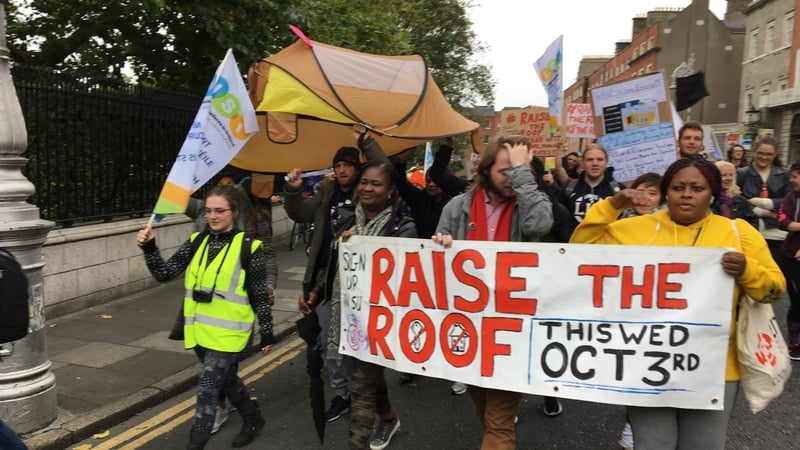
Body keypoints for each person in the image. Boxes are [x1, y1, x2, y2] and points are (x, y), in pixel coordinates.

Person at [571, 157, 785, 449]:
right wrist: (612, 206)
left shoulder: (737, 233)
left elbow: (774, 290)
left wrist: (748, 270)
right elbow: (577, 255)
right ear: (666, 192)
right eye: (677, 187)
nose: (686, 194)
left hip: (715, 369)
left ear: (711, 194)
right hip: (647, 365)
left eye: (697, 188)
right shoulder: (636, 229)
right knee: (652, 445)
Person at [433, 134, 553, 450]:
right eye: (507, 169)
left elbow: (539, 225)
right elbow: (435, 267)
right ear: (485, 169)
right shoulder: (456, 207)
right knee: (486, 412)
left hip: (510, 330)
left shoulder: (531, 202)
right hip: (469, 328)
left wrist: (522, 174)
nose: (514, 176)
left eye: (521, 169)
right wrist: (442, 246)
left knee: (499, 425)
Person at [136, 185, 274, 449]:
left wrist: (267, 331)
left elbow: (258, 294)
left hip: (230, 332)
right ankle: (253, 418)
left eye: (219, 211)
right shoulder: (197, 240)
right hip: (198, 329)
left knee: (208, 389)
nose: (212, 216)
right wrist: (150, 247)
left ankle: (195, 445)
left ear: (234, 212)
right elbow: (164, 273)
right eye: (209, 210)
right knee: (227, 380)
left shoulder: (249, 247)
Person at [287, 125, 389, 424]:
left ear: (358, 169)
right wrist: (292, 191)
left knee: (357, 342)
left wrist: (365, 142)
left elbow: (383, 169)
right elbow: (303, 214)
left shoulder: (366, 193)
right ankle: (344, 394)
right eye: (338, 165)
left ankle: (366, 392)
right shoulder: (328, 190)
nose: (342, 170)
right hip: (324, 276)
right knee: (327, 338)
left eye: (347, 164)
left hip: (359, 278)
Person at [335, 161, 417, 450]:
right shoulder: (347, 219)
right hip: (352, 315)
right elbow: (334, 264)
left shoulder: (404, 227)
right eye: (364, 182)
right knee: (369, 378)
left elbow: (404, 274)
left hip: (383, 319)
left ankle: (357, 443)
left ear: (391, 190)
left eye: (376, 184)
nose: (367, 188)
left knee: (361, 387)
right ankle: (388, 418)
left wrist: (365, 247)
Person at [736, 136, 792, 264]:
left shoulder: (785, 174)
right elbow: (736, 200)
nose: (764, 157)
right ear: (754, 151)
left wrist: (766, 203)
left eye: (769, 154)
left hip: (778, 233)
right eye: (760, 153)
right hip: (750, 231)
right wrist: (762, 212)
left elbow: (790, 201)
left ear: (776, 154)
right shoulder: (741, 173)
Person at [556, 143, 623, 225]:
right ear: (583, 163)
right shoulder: (569, 188)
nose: (595, 163)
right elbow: (558, 220)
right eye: (590, 160)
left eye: (600, 159)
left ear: (606, 162)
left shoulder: (619, 191)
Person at [777, 162, 800, 360]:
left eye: (795, 176)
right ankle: (794, 342)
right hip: (791, 257)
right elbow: (782, 220)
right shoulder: (791, 197)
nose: (791, 180)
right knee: (797, 301)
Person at [715, 160, 757, 227]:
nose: (728, 178)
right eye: (724, 175)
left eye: (731, 175)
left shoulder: (740, 200)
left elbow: (752, 222)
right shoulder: (709, 200)